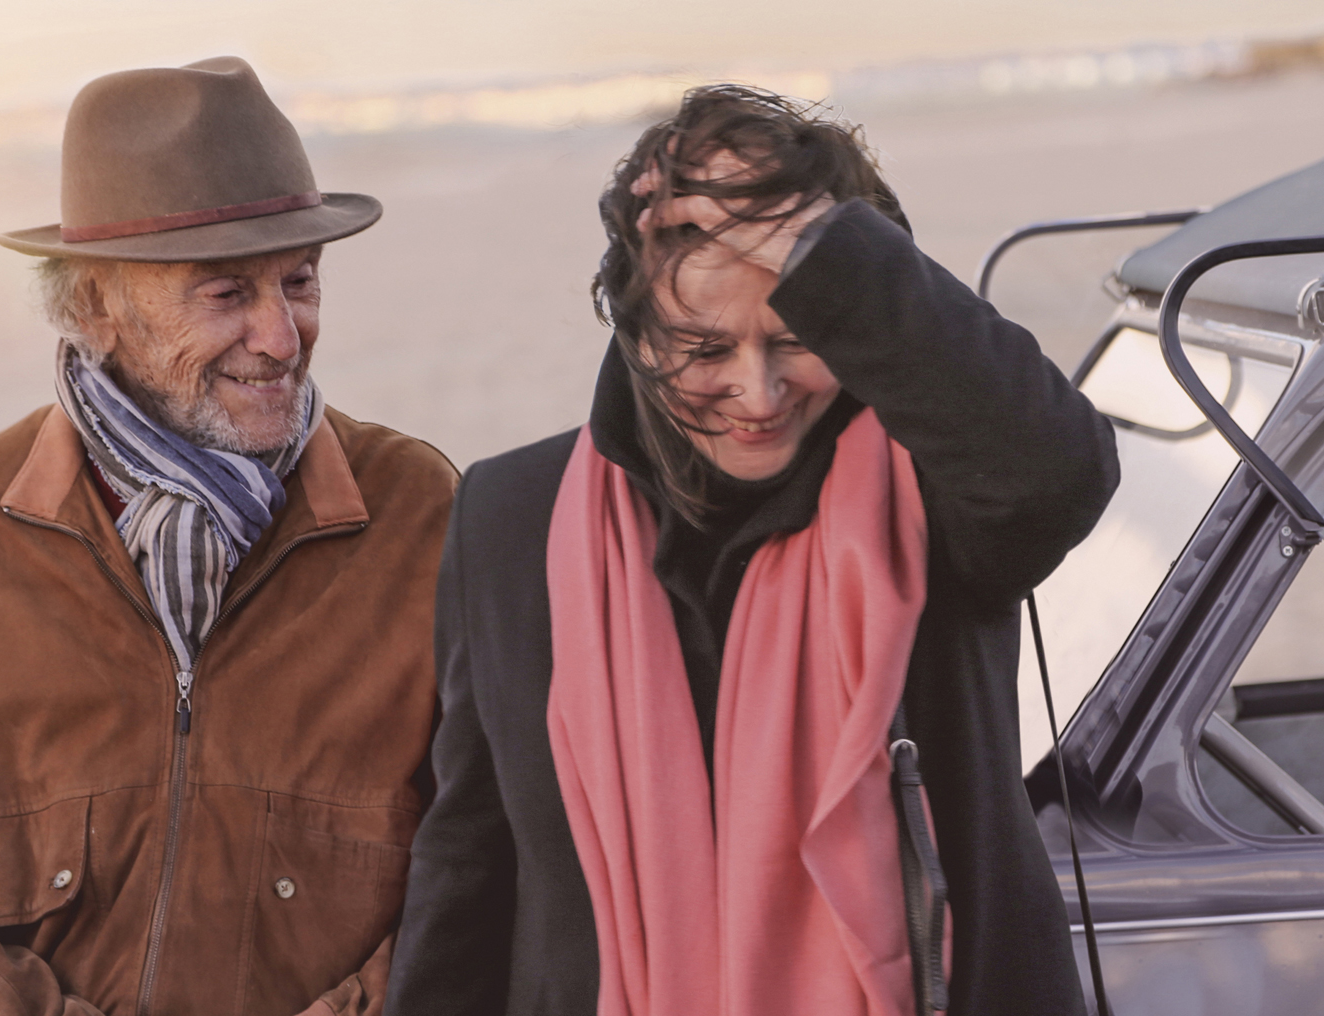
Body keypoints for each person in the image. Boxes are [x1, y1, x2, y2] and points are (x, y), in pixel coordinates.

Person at [383, 86, 1118, 1016]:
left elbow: (1058, 471)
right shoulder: (511, 514)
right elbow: (469, 856)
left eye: (796, 338)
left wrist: (824, 249)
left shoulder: (938, 489)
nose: (757, 392)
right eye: (703, 348)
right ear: (634, 330)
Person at [0, 57, 456, 1016]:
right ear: (92, 307)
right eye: (225, 294)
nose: (282, 336)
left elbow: (488, 850)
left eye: (299, 281)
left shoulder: (423, 513)